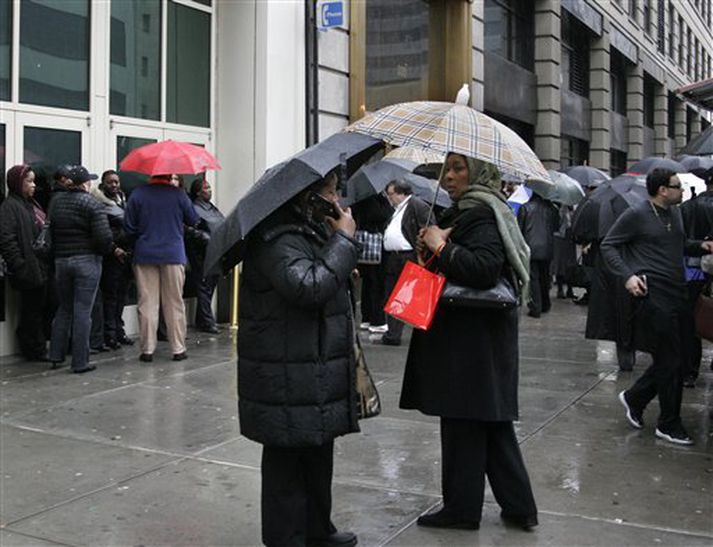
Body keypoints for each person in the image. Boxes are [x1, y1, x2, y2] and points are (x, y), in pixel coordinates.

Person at [400, 154, 537, 531]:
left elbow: (484, 268)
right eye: (448, 168)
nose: (450, 176)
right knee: (489, 423)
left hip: (471, 342)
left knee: (464, 423)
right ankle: (519, 506)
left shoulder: (480, 213)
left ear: (479, 173)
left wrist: (443, 248)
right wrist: (432, 248)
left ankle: (462, 509)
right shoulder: (468, 211)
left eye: (460, 168)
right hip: (476, 340)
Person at [238, 171, 359, 547]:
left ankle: (317, 530)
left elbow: (321, 277)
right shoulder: (277, 238)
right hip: (286, 368)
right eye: (328, 190)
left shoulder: (308, 230)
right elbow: (308, 286)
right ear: (306, 196)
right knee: (287, 463)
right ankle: (286, 537)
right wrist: (343, 242)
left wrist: (338, 259)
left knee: (317, 454)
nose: (336, 198)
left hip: (313, 364)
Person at [602, 168, 713, 445]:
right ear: (663, 190)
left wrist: (703, 246)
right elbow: (609, 246)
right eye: (677, 186)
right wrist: (627, 276)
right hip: (653, 296)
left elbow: (678, 245)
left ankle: (635, 397)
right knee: (671, 360)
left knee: (677, 358)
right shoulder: (637, 214)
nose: (682, 191)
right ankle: (668, 423)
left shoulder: (674, 214)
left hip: (678, 294)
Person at [124, 173, 199, 362]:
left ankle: (147, 349)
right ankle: (178, 349)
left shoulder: (138, 194)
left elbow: (129, 226)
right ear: (168, 176)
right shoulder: (179, 194)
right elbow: (193, 219)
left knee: (147, 302)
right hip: (173, 253)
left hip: (145, 253)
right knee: (174, 302)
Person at [47, 166, 114, 373]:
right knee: (83, 311)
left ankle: (56, 356)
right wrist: (103, 250)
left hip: (61, 262)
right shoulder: (93, 204)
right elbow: (104, 239)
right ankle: (80, 361)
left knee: (64, 308)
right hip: (86, 261)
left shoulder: (56, 203)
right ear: (85, 184)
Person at [370, 179, 430, 345]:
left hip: (406, 257)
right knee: (392, 295)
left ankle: (393, 335)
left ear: (401, 193)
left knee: (402, 297)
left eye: (391, 194)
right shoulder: (397, 209)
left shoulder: (416, 205)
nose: (390, 198)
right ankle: (392, 333)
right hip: (394, 258)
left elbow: (427, 228)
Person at [0, 165, 50, 361]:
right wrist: (20, 265)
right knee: (31, 310)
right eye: (29, 181)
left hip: (39, 265)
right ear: (18, 183)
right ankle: (32, 348)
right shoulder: (10, 207)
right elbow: (7, 240)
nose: (33, 185)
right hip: (28, 268)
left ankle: (37, 345)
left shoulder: (31, 204)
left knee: (39, 307)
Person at [92, 170, 133, 349]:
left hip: (126, 255)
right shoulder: (100, 203)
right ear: (103, 183)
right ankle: (109, 335)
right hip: (111, 256)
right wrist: (114, 248)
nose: (114, 185)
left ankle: (119, 330)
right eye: (110, 182)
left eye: (116, 182)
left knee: (121, 296)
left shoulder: (123, 200)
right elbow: (102, 231)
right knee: (110, 297)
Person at [680, 166, 713, 385]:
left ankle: (690, 370)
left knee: (692, 319)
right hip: (707, 267)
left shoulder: (688, 206)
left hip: (691, 270)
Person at [187, 177, 224, 334]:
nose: (209, 190)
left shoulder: (212, 208)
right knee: (203, 286)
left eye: (209, 188)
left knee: (210, 285)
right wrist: (204, 237)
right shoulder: (194, 208)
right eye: (205, 188)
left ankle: (202, 319)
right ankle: (208, 321)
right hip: (201, 253)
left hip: (215, 250)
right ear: (197, 192)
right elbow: (190, 230)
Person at [351, 193, 392, 331]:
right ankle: (377, 320)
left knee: (368, 284)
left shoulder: (358, 198)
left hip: (365, 245)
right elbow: (383, 214)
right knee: (377, 283)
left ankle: (367, 317)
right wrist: (385, 200)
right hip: (374, 246)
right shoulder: (371, 199)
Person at [517, 192, 559, 317]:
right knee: (545, 276)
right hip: (547, 247)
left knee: (533, 277)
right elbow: (557, 227)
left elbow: (519, 228)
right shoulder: (552, 209)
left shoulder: (525, 208)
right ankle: (545, 304)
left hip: (530, 247)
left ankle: (536, 306)